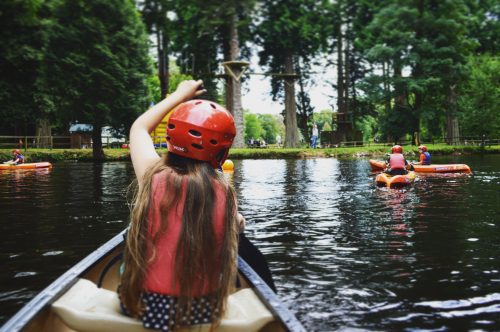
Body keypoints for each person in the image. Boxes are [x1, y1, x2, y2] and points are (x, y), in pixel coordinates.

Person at [120, 80, 245, 331]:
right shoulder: (224, 193)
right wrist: (237, 221)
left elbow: (139, 128)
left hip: (146, 305)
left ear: (169, 139)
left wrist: (178, 95)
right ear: (221, 153)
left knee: (125, 258)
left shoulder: (151, 175)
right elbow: (235, 226)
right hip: (204, 308)